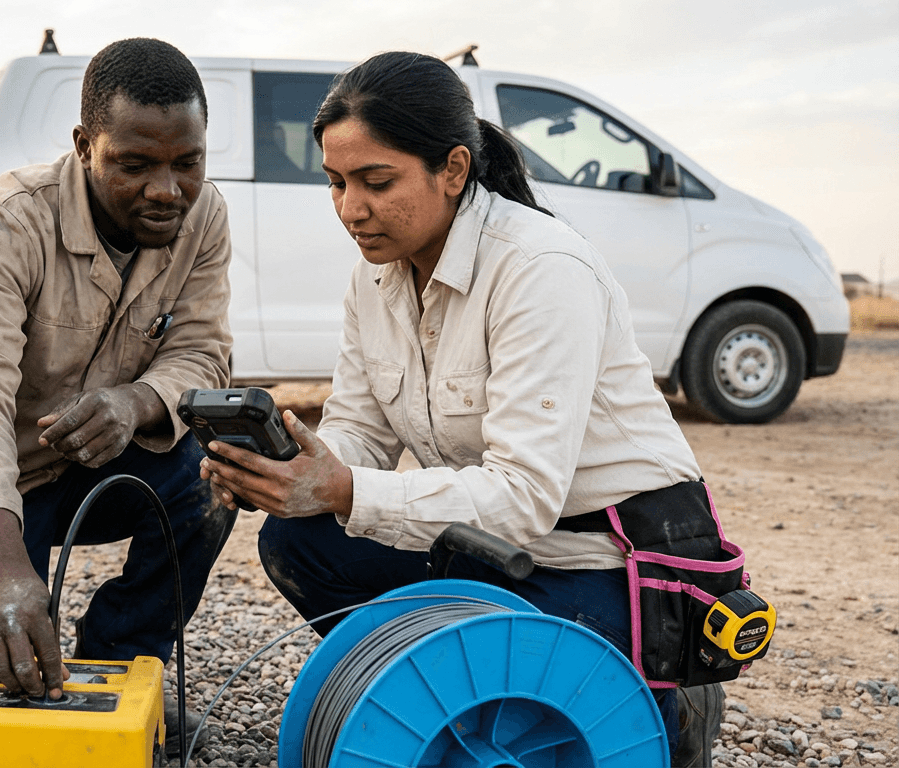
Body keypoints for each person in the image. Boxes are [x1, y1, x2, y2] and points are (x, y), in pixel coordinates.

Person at [199, 51, 725, 767]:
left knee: (585, 713)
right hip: (492, 550)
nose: (352, 208)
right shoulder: (374, 276)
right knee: (302, 543)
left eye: (376, 181)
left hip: (603, 558)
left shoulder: (541, 269)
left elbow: (522, 496)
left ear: (452, 170)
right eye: (336, 182)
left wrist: (347, 489)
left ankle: (660, 686)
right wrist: (295, 468)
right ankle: (449, 692)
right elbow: (359, 430)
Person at [0, 38, 236, 755]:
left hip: (96, 469)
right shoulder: (5, 221)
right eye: (135, 165)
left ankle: (123, 655)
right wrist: (3, 566)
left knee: (219, 471)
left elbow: (203, 352)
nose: (167, 190)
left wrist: (135, 403)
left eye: (187, 163)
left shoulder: (204, 219)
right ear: (84, 146)